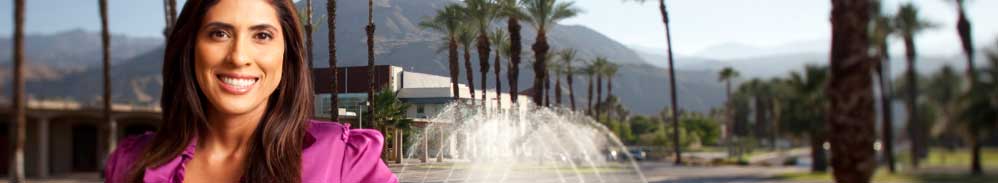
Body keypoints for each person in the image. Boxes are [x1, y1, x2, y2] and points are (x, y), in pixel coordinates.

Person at [103, 0, 397, 182]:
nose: (238, 56)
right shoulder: (131, 163)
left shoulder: (344, 160)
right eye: (219, 33)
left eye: (262, 35)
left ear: (287, 53)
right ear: (190, 48)